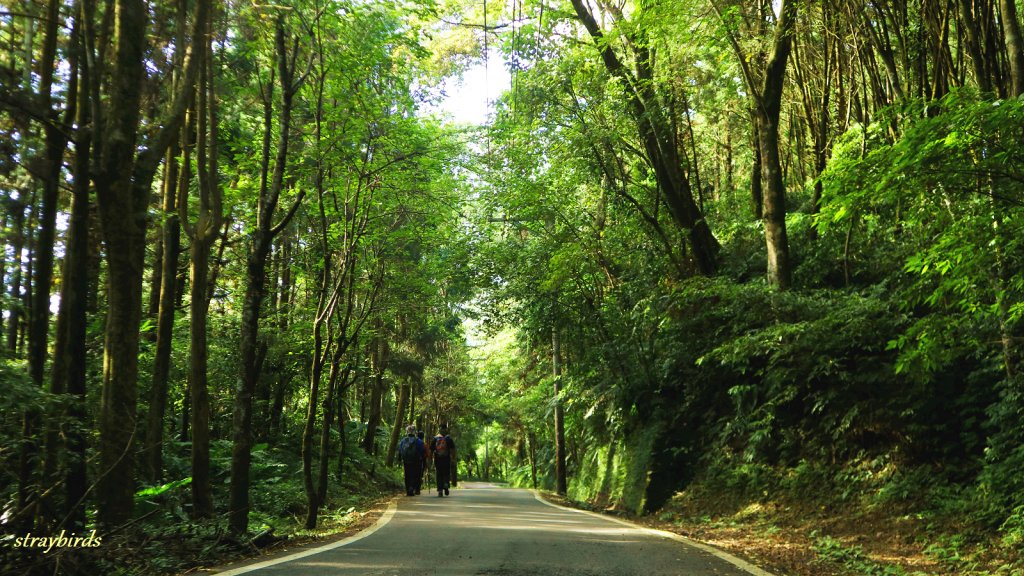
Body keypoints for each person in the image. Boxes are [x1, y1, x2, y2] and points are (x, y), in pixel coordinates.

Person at [398, 425, 425, 496]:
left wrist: (400, 459)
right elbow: (422, 450)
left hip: (406, 460)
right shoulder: (418, 441)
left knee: (407, 475)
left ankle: (408, 490)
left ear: (407, 431)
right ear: (414, 432)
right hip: (416, 461)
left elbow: (400, 450)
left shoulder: (403, 440)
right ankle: (412, 488)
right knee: (415, 475)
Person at [430, 425, 456, 497]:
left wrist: (429, 459)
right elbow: (452, 450)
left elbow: (431, 450)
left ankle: (440, 490)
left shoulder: (435, 439)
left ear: (439, 429)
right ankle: (446, 484)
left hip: (437, 459)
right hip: (446, 459)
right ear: (446, 430)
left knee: (439, 474)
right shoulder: (449, 439)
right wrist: (453, 458)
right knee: (446, 473)